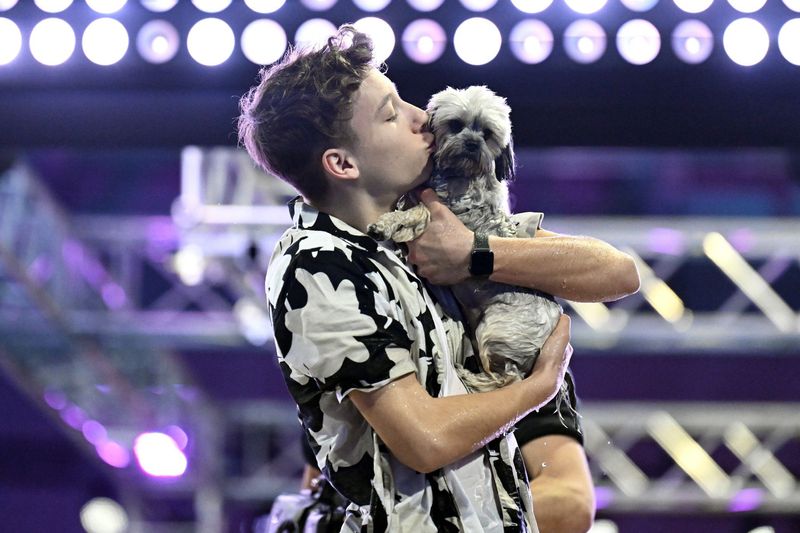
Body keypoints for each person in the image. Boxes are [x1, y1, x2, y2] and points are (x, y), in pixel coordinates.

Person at [238, 25, 639, 532]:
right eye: (392, 113)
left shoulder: (427, 235)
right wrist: (536, 391)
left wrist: (477, 255)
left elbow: (619, 272)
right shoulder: (320, 263)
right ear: (341, 163)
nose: (420, 117)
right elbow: (424, 440)